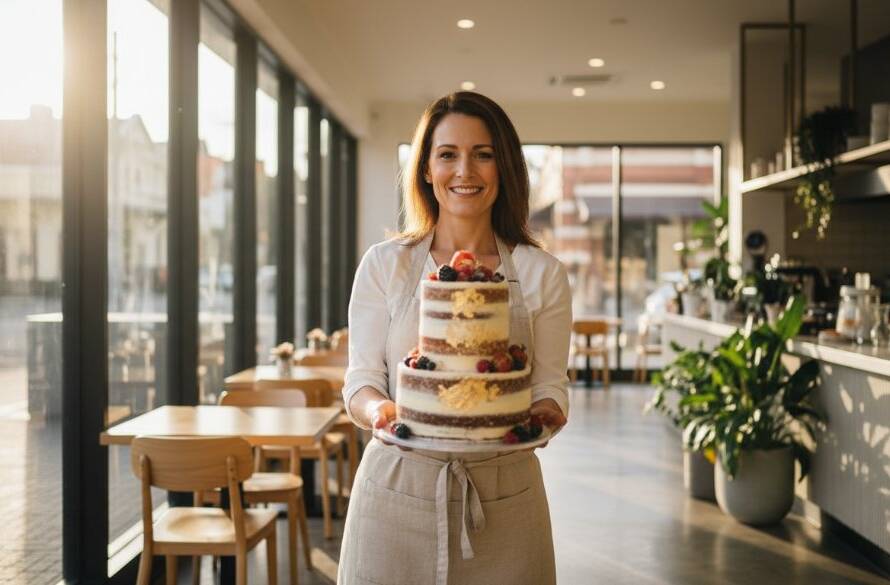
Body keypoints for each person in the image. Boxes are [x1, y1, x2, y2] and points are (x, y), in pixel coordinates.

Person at [339, 91, 572, 585]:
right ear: (426, 168)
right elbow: (361, 380)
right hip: (397, 484)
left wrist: (548, 412)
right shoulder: (385, 265)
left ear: (504, 166)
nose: (464, 170)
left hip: (506, 491)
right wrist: (382, 411)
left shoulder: (540, 273)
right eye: (448, 154)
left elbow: (550, 384)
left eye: (483, 154)